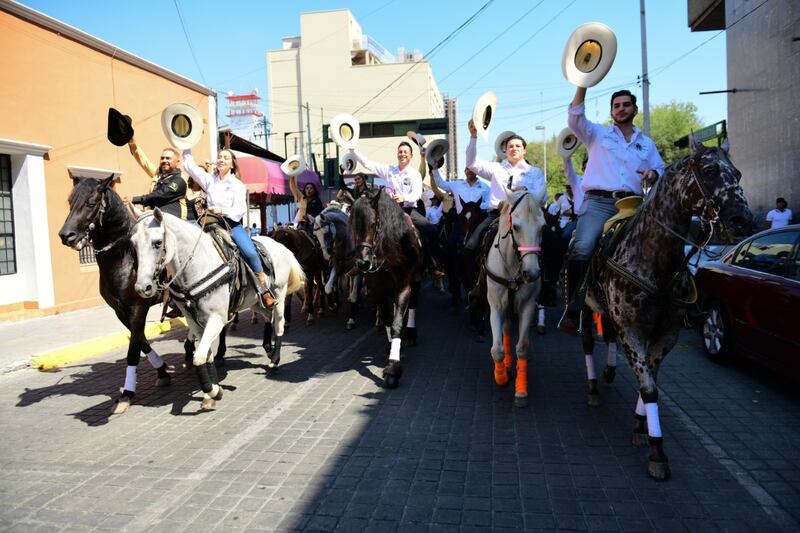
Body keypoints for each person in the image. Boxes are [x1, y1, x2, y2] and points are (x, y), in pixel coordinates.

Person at [558, 88, 665, 335]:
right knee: (582, 246)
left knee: (659, 244)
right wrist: (583, 83)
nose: (621, 108)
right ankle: (573, 309)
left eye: (626, 104)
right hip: (599, 203)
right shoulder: (597, 133)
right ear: (611, 111)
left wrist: (654, 173)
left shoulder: (646, 144)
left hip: (635, 204)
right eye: (616, 105)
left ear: (634, 110)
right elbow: (575, 119)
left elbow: (661, 169)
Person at [182, 148, 276, 308]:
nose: (221, 160)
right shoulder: (210, 180)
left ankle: (264, 288)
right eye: (219, 157)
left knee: (250, 252)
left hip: (231, 225)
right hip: (210, 225)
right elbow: (190, 167)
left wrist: (222, 211)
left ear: (232, 164)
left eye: (225, 158)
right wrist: (186, 144)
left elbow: (239, 210)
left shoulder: (237, 185)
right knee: (188, 251)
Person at [351, 142, 445, 278]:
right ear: (397, 154)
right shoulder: (389, 170)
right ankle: (359, 264)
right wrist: (352, 149)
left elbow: (417, 193)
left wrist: (404, 197)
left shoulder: (415, 174)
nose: (402, 154)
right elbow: (367, 163)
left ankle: (433, 265)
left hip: (408, 211)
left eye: (405, 152)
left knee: (430, 230)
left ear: (411, 156)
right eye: (400, 151)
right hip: (386, 213)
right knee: (366, 229)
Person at [464, 118, 547, 253]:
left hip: (528, 219)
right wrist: (473, 136)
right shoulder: (496, 168)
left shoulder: (534, 172)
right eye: (510, 146)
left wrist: (525, 192)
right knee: (470, 247)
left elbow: (542, 199)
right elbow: (472, 164)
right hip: (497, 216)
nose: (514, 148)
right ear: (505, 150)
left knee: (555, 243)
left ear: (524, 150)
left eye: (518, 146)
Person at [124, 138, 187, 219]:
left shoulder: (180, 179)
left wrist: (135, 199)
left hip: (174, 223)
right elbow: (143, 161)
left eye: (168, 158)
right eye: (162, 158)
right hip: (156, 219)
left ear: (177, 162)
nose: (164, 160)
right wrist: (132, 142)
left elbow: (161, 195)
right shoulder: (158, 175)